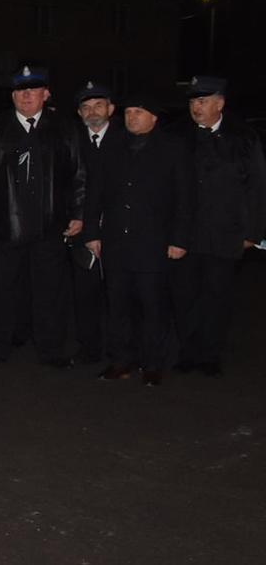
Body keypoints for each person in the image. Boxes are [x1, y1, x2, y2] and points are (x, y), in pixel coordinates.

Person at [0, 66, 87, 367]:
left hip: (49, 225)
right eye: (21, 91)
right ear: (13, 96)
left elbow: (78, 174)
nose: (26, 96)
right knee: (3, 290)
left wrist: (78, 213)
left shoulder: (63, 128)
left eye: (33, 90)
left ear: (45, 94)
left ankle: (51, 349)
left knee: (50, 291)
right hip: (6, 224)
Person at [82, 92, 191, 386]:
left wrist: (179, 238)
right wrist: (92, 232)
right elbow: (95, 193)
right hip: (117, 241)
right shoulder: (112, 147)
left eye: (139, 112)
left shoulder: (172, 148)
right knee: (117, 305)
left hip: (154, 242)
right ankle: (121, 361)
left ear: (154, 117)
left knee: (153, 305)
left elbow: (184, 197)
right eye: (129, 112)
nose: (132, 118)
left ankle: (153, 363)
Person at [172, 75, 266, 378]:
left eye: (202, 101)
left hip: (225, 232)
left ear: (220, 103)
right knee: (185, 295)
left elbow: (256, 187)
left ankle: (210, 354)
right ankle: (187, 351)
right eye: (192, 101)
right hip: (186, 233)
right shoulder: (178, 136)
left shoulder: (243, 137)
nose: (196, 107)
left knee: (217, 294)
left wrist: (253, 232)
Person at [70, 81, 120, 365]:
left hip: (118, 229)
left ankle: (120, 350)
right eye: (86, 107)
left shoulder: (126, 138)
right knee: (85, 294)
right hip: (81, 229)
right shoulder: (72, 140)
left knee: (118, 295)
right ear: (79, 113)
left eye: (98, 105)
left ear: (111, 109)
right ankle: (88, 348)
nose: (92, 112)